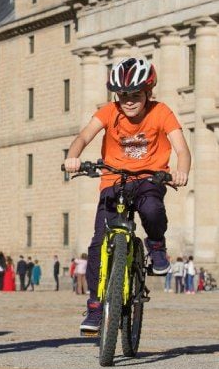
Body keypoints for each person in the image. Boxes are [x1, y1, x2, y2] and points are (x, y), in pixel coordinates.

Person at [63, 56, 190, 334]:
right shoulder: (109, 112)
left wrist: (181, 171)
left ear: (148, 93)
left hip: (148, 177)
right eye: (123, 95)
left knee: (152, 210)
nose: (129, 101)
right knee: (98, 243)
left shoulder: (161, 112)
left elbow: (181, 148)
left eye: (135, 94)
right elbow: (84, 137)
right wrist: (73, 157)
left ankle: (156, 244)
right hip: (114, 178)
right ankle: (96, 307)